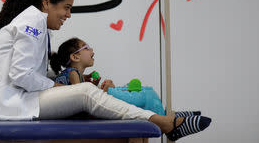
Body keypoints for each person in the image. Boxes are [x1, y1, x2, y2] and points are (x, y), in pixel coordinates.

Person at [0, 0, 211, 141]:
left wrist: (53, 85)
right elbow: (20, 76)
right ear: (46, 2)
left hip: (15, 101)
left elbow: (24, 74)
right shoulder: (33, 20)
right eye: (66, 7)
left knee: (88, 92)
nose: (68, 15)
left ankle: (167, 117)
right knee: (86, 93)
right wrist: (54, 85)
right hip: (6, 106)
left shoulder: (34, 22)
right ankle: (166, 122)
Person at [51, 37, 201, 117]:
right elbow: (79, 97)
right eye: (86, 47)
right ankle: (166, 116)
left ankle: (169, 115)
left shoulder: (77, 74)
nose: (92, 50)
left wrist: (93, 84)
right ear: (75, 57)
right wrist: (101, 91)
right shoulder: (72, 73)